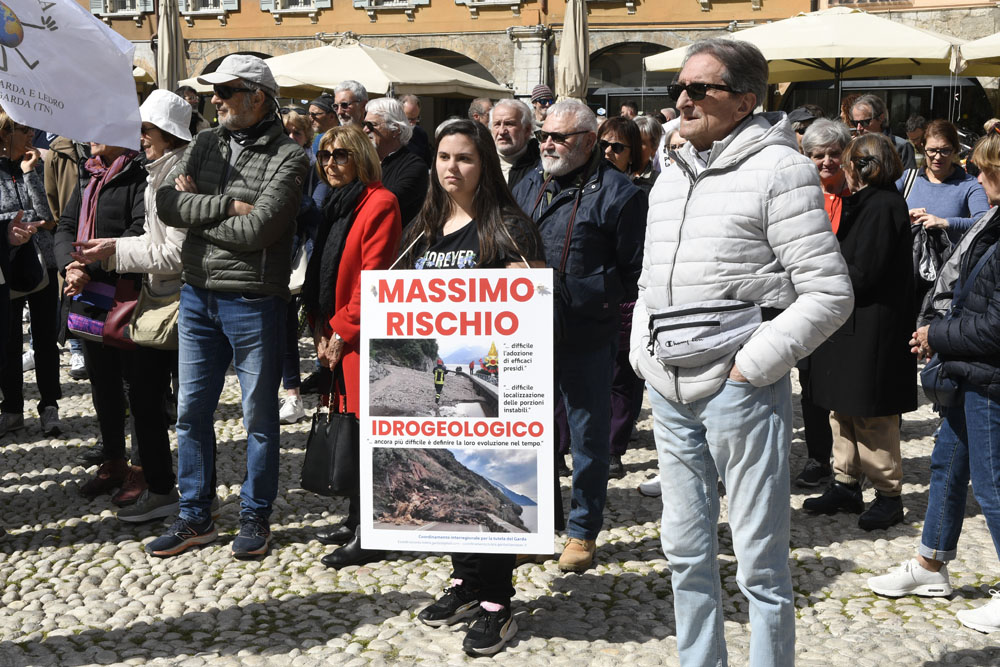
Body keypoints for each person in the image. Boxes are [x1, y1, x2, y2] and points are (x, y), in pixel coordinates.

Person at [631, 39, 853, 667]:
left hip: (739, 387)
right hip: (667, 381)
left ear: (746, 101)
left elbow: (831, 292)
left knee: (760, 557)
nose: (683, 99)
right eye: (680, 87)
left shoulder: (781, 168)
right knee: (683, 549)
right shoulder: (671, 167)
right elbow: (651, 275)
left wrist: (752, 366)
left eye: (701, 89)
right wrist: (641, 353)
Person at [146, 54, 309, 559]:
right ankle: (195, 513)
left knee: (258, 416)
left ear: (257, 97)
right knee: (192, 411)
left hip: (253, 299)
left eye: (225, 91)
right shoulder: (205, 142)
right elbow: (166, 205)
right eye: (213, 91)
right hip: (196, 294)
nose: (213, 100)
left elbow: (260, 229)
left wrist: (203, 212)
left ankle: (255, 513)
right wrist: (225, 205)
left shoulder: (290, 157)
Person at [401, 118, 543, 657]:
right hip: (436, 378)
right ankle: (464, 582)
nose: (451, 168)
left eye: (464, 158)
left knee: (486, 472)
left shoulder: (506, 226)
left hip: (494, 378)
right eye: (443, 157)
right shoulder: (423, 226)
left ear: (484, 164)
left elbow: (533, 301)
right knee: (451, 469)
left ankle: (496, 603)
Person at [867, 128, 1000, 633]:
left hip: (988, 376)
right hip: (970, 371)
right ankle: (930, 566)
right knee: (947, 466)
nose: (977, 176)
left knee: (992, 488)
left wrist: (937, 334)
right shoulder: (994, 218)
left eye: (986, 170)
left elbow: (995, 325)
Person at [513, 100, 647, 572]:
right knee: (530, 429)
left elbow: (634, 274)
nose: (547, 143)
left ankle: (582, 531)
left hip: (586, 332)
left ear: (589, 142)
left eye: (559, 137)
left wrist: (570, 288)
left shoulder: (621, 193)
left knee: (587, 437)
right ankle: (532, 522)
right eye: (544, 134)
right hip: (526, 328)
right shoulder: (530, 180)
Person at [70, 90, 193, 522]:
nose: (139, 137)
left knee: (178, 405)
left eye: (146, 130)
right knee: (126, 392)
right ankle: (151, 480)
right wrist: (87, 257)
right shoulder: (133, 174)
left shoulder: (168, 175)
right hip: (128, 297)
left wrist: (109, 255)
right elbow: (72, 225)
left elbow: (169, 250)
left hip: (164, 301)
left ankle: (180, 492)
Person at [802, 134, 917, 530]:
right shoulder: (865, 204)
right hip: (850, 324)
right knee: (842, 409)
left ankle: (888, 494)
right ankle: (846, 483)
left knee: (873, 415)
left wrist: (819, 279)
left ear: (862, 166)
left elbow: (864, 271)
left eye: (849, 160)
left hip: (874, 328)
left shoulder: (883, 206)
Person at [304, 125, 402, 567]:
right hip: (337, 333)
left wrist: (342, 331)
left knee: (365, 433)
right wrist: (321, 328)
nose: (330, 164)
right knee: (349, 426)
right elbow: (323, 272)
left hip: (362, 337)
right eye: (324, 155)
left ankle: (372, 531)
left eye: (340, 155)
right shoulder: (333, 204)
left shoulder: (380, 201)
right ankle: (354, 516)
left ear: (361, 156)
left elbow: (372, 278)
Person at [53, 138, 148, 503]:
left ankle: (142, 468)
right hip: (87, 297)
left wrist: (87, 267)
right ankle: (113, 460)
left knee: (138, 387)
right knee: (102, 385)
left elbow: (137, 231)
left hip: (126, 296)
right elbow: (64, 226)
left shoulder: (137, 174)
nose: (90, 135)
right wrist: (70, 267)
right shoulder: (88, 174)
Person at [793, 118, 854, 488]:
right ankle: (818, 458)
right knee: (811, 382)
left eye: (834, 153)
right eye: (818, 155)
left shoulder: (858, 195)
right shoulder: (800, 194)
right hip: (806, 304)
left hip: (848, 304)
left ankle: (850, 464)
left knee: (844, 384)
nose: (826, 161)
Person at [0, 112, 63, 439]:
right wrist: (10, 225)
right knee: (9, 341)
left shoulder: (33, 166)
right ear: (5, 133)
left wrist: (29, 174)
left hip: (42, 264)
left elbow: (46, 217)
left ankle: (49, 406)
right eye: (24, 130)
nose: (31, 134)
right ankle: (11, 409)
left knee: (45, 340)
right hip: (7, 265)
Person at [595, 115, 647, 479]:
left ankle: (613, 447)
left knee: (621, 377)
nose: (609, 152)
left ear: (633, 155)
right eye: (603, 145)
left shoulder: (639, 194)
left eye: (618, 147)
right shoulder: (581, 187)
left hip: (626, 297)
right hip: (589, 295)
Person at [277, 108, 323, 425]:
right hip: (281, 259)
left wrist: (286, 197)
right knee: (284, 331)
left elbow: (315, 210)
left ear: (306, 136)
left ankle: (329, 389)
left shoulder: (316, 167)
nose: (292, 138)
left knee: (319, 326)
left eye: (297, 132)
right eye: (287, 133)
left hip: (310, 257)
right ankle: (291, 394)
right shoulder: (273, 165)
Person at [897, 119, 989, 245]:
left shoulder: (969, 184)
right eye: (932, 150)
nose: (938, 157)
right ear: (923, 148)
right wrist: (904, 216)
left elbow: (984, 222)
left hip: (948, 262)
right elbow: (882, 212)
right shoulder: (907, 178)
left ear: (955, 150)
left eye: (945, 150)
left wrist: (945, 223)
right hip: (906, 261)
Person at [44, 135, 91, 380]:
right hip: (70, 231)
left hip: (98, 234)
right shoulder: (58, 150)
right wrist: (61, 229)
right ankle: (76, 349)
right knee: (72, 293)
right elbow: (50, 194)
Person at [363, 97, 429, 230]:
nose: (365, 130)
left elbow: (386, 203)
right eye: (364, 124)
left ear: (395, 130)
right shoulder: (363, 162)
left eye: (372, 125)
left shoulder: (414, 167)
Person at [850, 94, 916, 170]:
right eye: (855, 123)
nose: (859, 128)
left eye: (864, 122)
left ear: (881, 118)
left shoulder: (901, 147)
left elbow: (907, 179)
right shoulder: (853, 147)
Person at [490, 98, 539, 190]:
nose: (501, 131)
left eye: (509, 124)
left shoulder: (541, 169)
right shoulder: (480, 164)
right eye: (497, 124)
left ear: (527, 130)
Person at [399, 94, 430, 165]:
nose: (412, 123)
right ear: (399, 114)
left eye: (416, 118)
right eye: (409, 119)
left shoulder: (421, 134)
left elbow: (427, 161)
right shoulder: (392, 134)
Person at [633, 114, 663, 184]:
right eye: (632, 140)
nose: (634, 146)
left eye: (640, 142)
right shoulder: (616, 174)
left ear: (654, 148)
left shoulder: (659, 182)